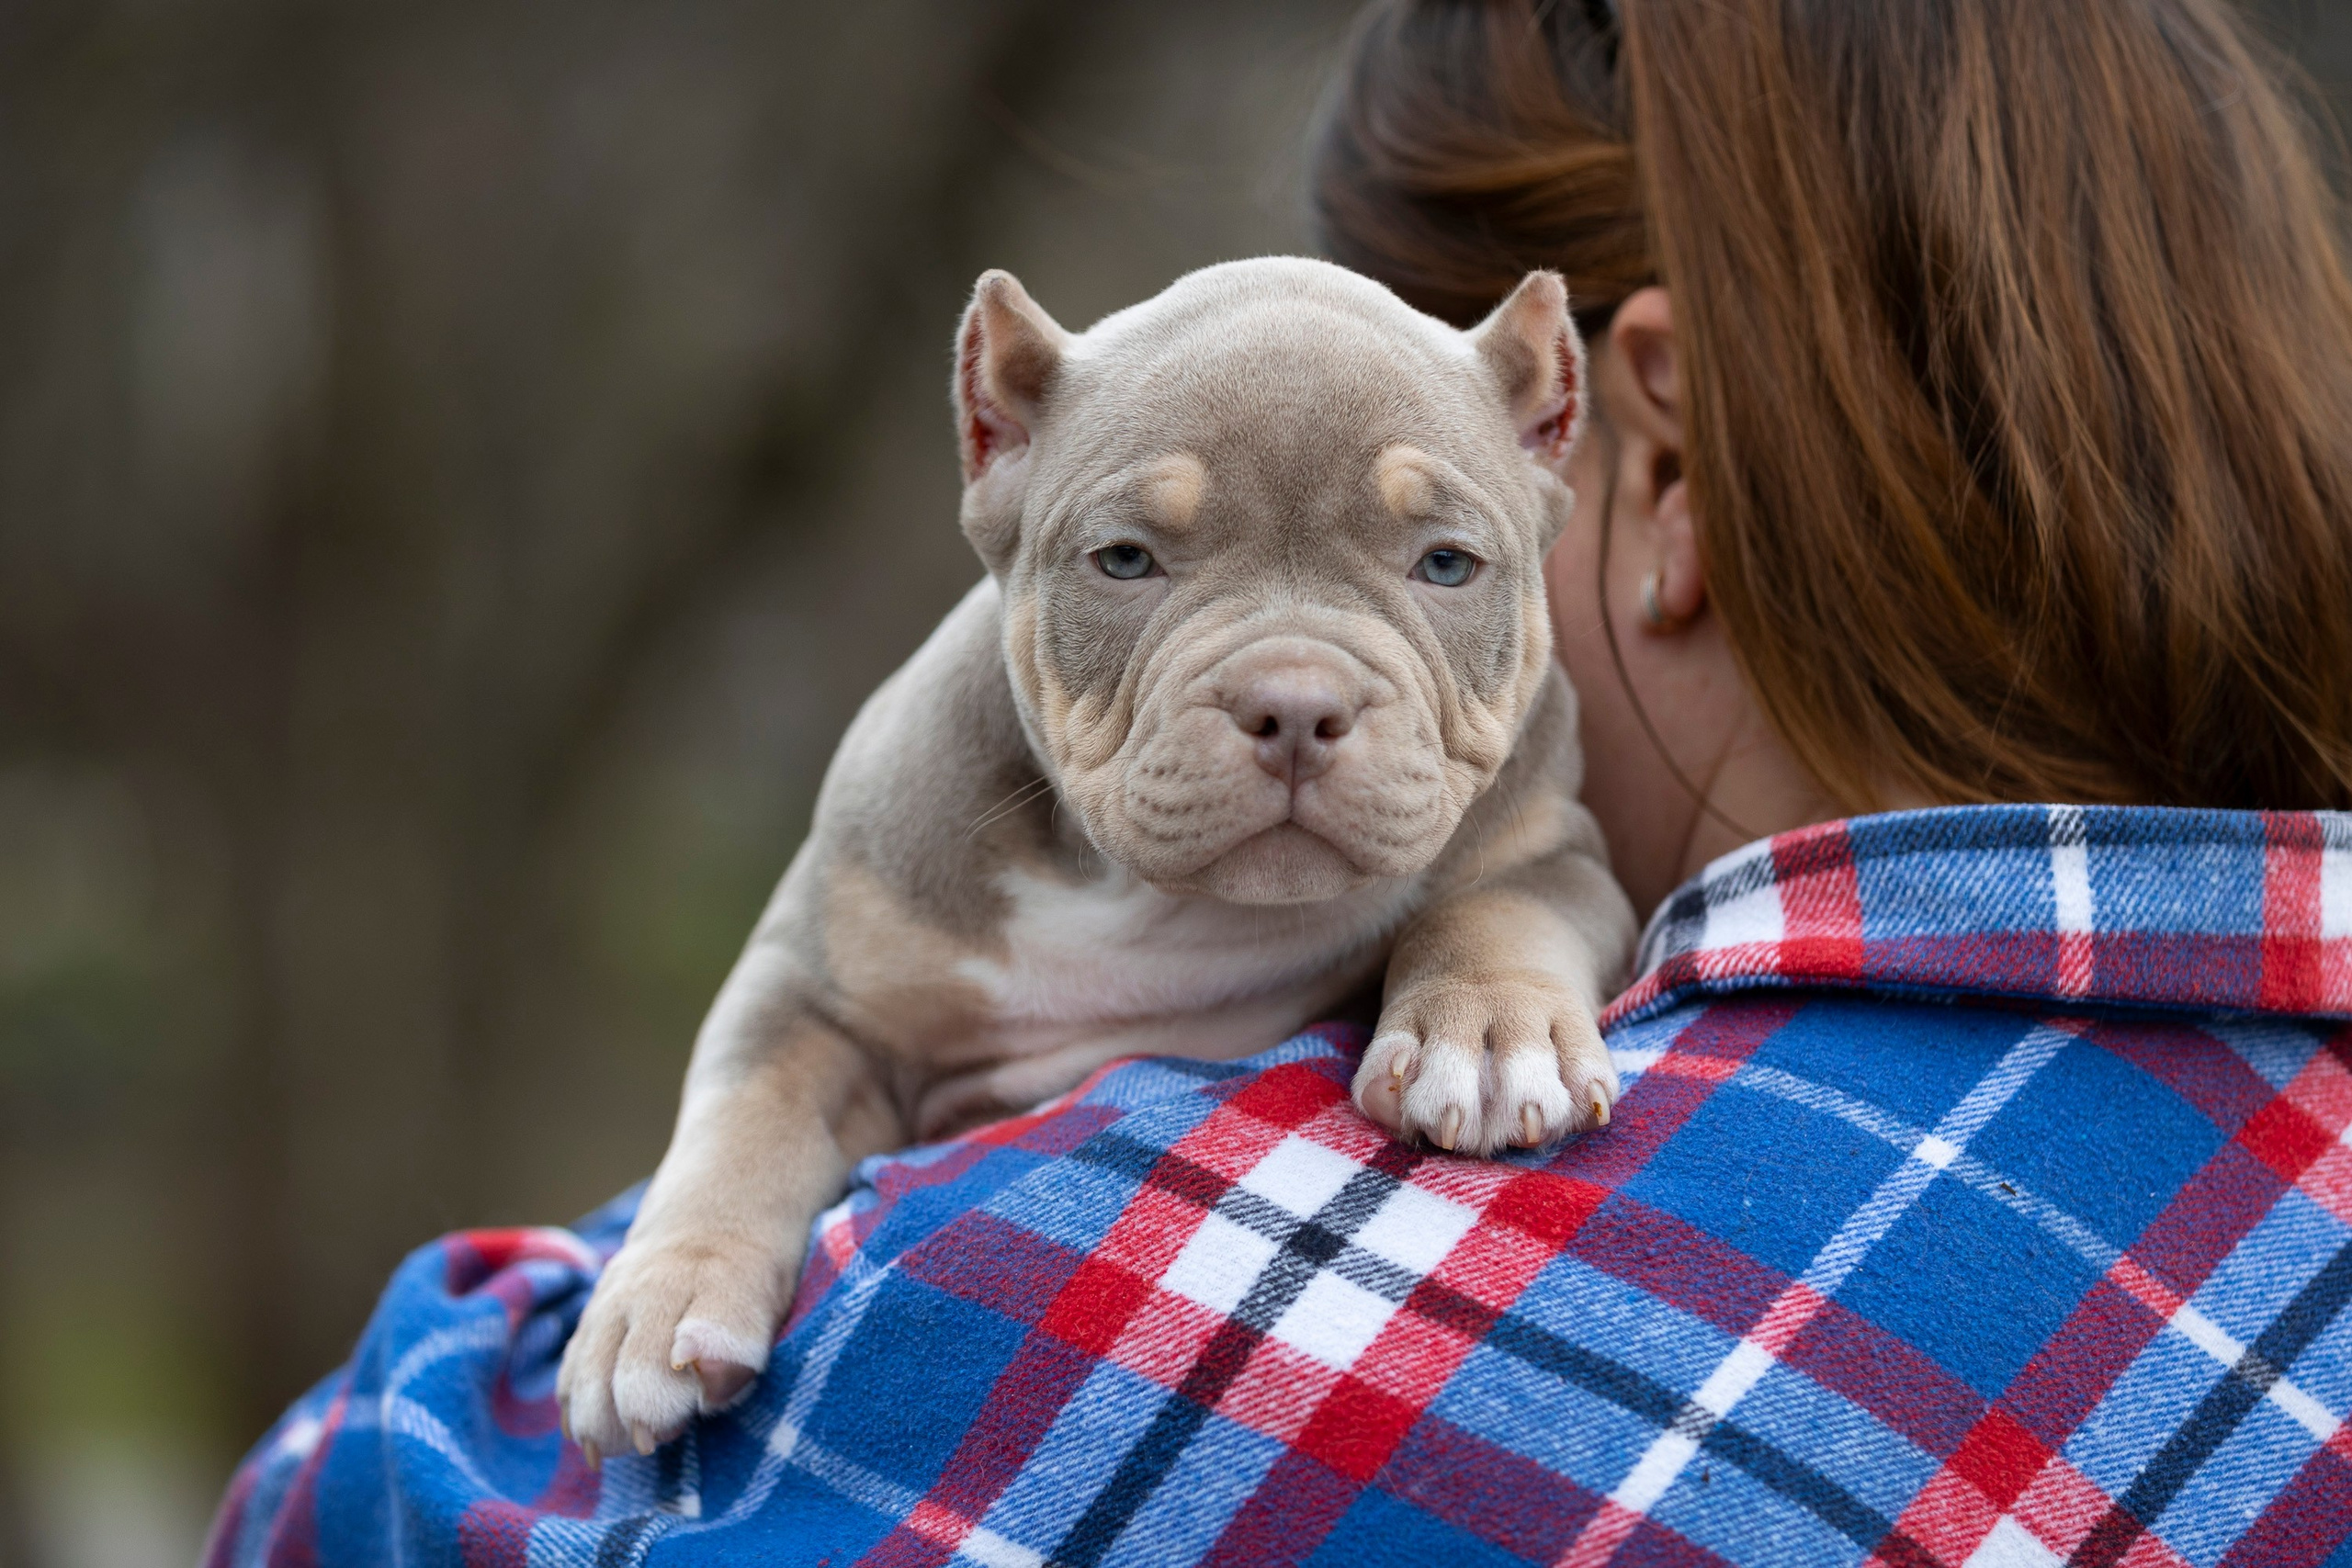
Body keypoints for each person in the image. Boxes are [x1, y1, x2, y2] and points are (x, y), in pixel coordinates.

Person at [207, 2, 2352, 1564]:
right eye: (1154, 554)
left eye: (1438, 557)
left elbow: (349, 1494)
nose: (1305, 693)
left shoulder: (1153, 1319)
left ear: (1643, 460)